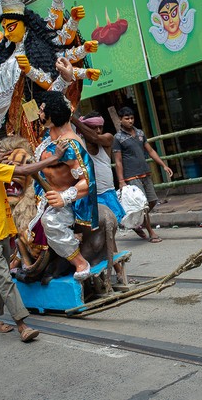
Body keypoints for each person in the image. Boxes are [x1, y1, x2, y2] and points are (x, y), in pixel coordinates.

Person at [0, 123, 67, 342]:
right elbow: (21, 171)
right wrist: (53, 158)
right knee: (4, 279)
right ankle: (22, 325)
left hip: (1, 228)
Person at [32, 91, 97, 280]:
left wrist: (63, 197)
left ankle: (80, 262)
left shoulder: (70, 144)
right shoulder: (48, 140)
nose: (38, 113)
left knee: (50, 222)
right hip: (43, 200)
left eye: (42, 110)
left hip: (67, 204)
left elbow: (88, 180)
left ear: (52, 114)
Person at [71, 111, 130, 284]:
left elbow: (95, 138)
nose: (98, 130)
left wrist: (74, 119)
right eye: (93, 127)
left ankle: (116, 269)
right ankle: (115, 270)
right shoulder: (78, 143)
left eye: (100, 127)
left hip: (107, 194)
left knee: (109, 234)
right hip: (89, 197)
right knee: (100, 236)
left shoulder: (107, 138)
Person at [113, 106, 173, 243]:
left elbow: (150, 150)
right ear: (121, 120)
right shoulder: (118, 138)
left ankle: (137, 222)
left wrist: (163, 165)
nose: (130, 121)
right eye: (127, 118)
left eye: (132, 118)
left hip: (145, 172)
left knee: (152, 201)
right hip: (131, 176)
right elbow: (118, 161)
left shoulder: (140, 133)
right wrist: (121, 181)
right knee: (143, 205)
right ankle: (151, 232)